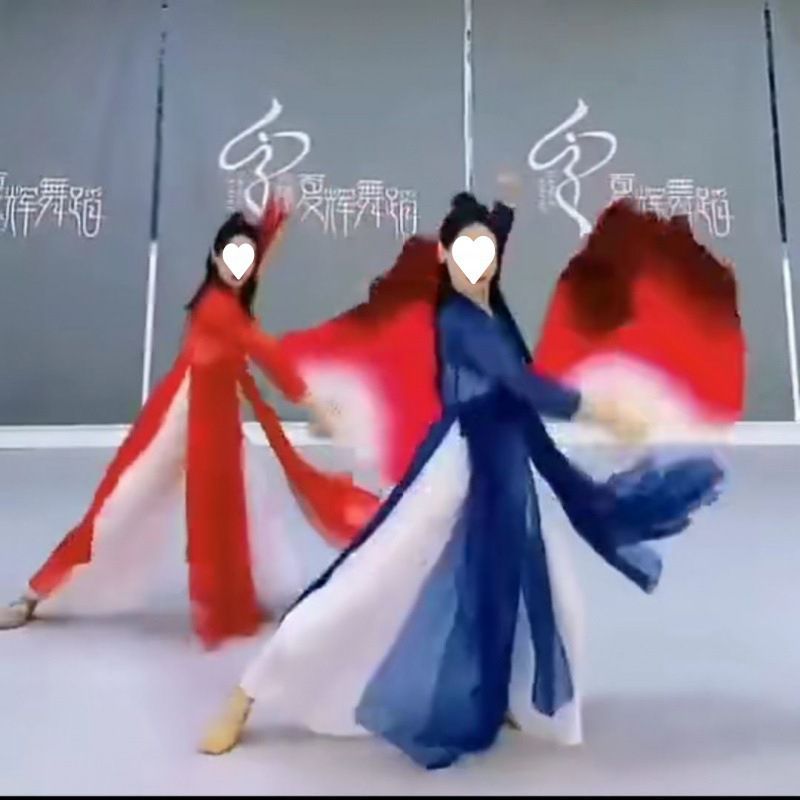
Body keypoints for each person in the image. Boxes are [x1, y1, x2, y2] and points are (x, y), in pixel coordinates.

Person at [199, 190, 723, 767]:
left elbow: (494, 262)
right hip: (459, 461)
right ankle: (247, 694)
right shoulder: (459, 322)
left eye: (488, 250)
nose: (479, 261)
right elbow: (519, 383)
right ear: (444, 256)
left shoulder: (489, 308)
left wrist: (505, 203)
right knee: (368, 578)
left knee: (553, 597)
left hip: (510, 463)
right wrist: (596, 409)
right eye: (466, 250)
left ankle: (505, 696)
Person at [0, 197, 380, 648]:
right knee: (118, 507)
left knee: (250, 507)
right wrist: (319, 409)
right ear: (215, 259)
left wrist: (275, 223)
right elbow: (270, 356)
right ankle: (34, 595)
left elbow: (254, 267)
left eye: (247, 259)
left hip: (218, 423)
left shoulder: (232, 293)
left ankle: (248, 595)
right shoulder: (218, 309)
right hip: (178, 421)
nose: (240, 267)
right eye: (231, 257)